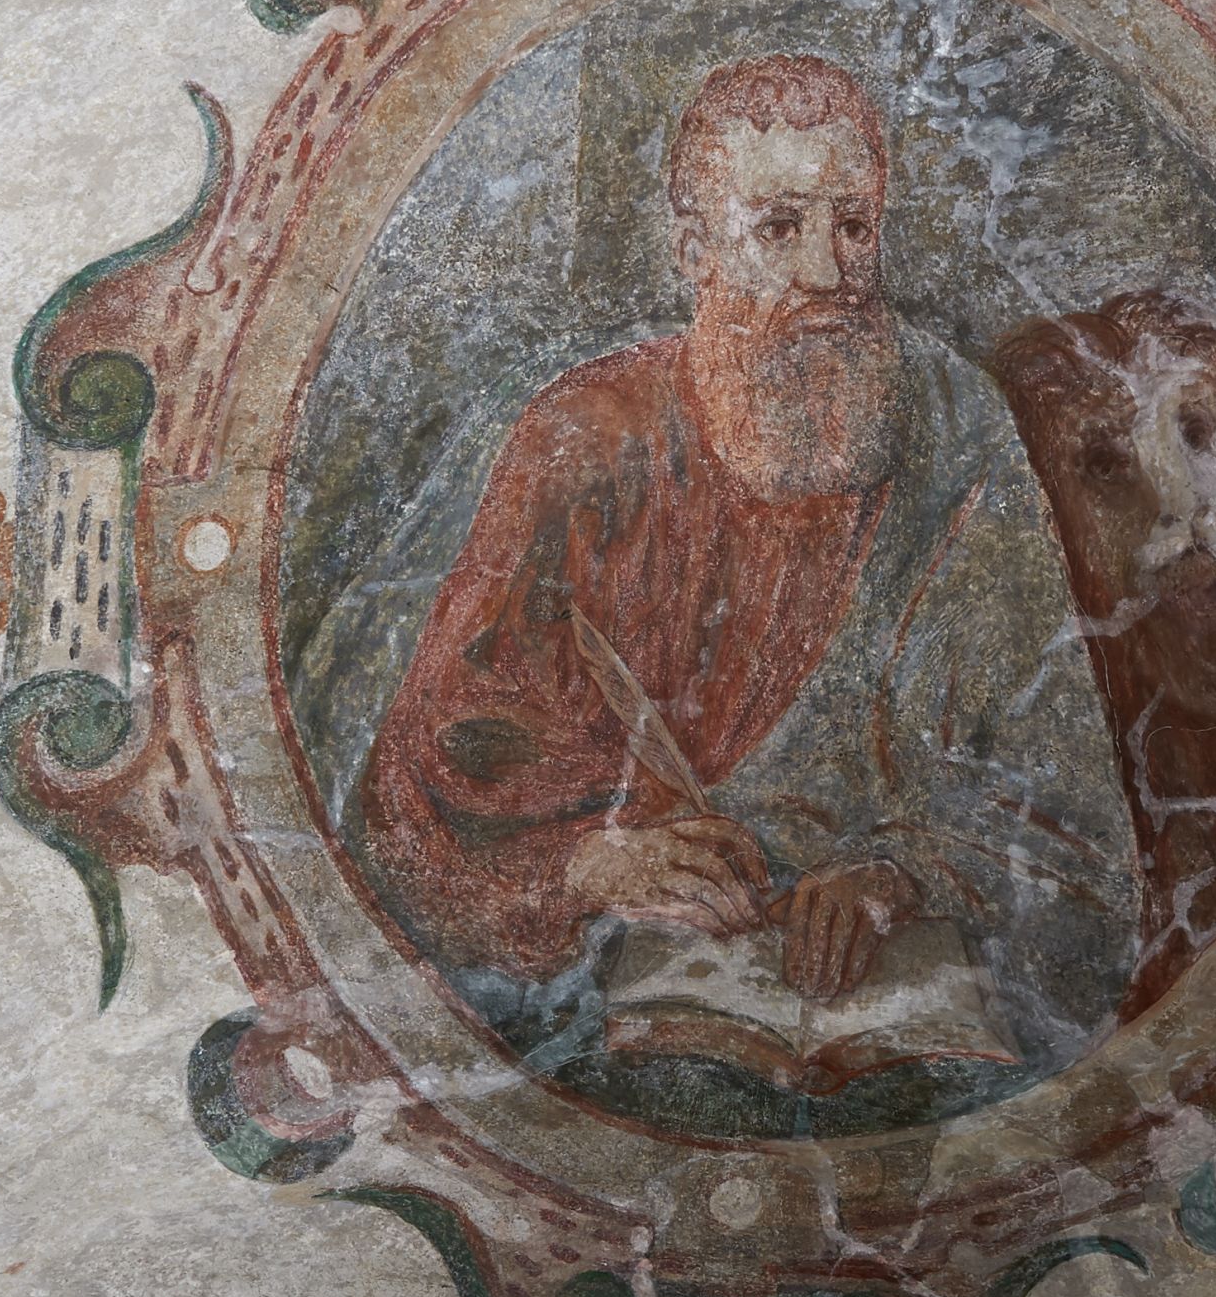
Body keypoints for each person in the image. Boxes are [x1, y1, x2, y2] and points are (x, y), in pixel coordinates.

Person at [362, 55, 1135, 1077]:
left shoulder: (956, 428)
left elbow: (1060, 798)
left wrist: (900, 872)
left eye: (853, 225)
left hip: (905, 1013)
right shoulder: (586, 440)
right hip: (618, 1000)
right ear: (694, 250)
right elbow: (424, 794)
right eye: (779, 227)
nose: (830, 272)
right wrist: (595, 863)